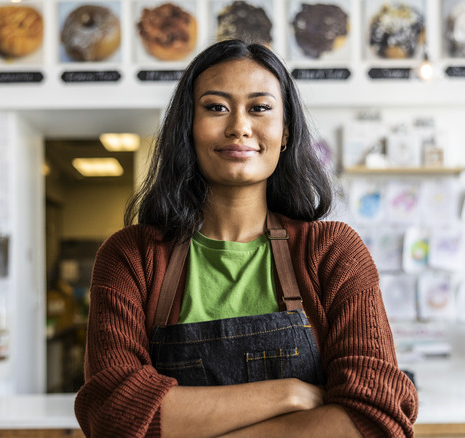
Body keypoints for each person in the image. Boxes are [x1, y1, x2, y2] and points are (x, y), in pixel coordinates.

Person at [75, 39, 418, 437]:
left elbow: (378, 415)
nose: (239, 126)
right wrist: (287, 394)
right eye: (216, 107)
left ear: (285, 131)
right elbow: (114, 414)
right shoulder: (131, 257)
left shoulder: (333, 253)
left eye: (260, 108)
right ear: (188, 128)